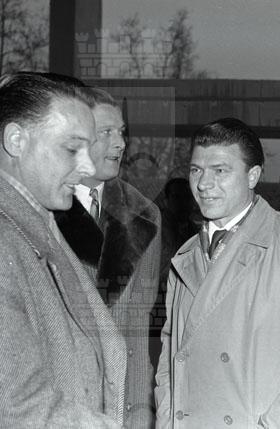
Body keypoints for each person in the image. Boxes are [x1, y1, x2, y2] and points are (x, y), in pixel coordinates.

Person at [155, 117, 280, 428]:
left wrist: (273, 424)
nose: (204, 184)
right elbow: (171, 353)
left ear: (253, 176)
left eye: (220, 171)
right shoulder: (185, 255)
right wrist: (168, 418)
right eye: (196, 170)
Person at [0, 72, 126, 427]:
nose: (87, 167)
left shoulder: (41, 227)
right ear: (16, 140)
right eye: (72, 149)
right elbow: (17, 406)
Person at [54, 85, 161, 428]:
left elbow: (138, 331)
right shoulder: (40, 208)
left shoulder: (145, 216)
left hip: (118, 407)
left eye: (122, 132)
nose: (120, 144)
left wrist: (140, 412)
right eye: (106, 132)